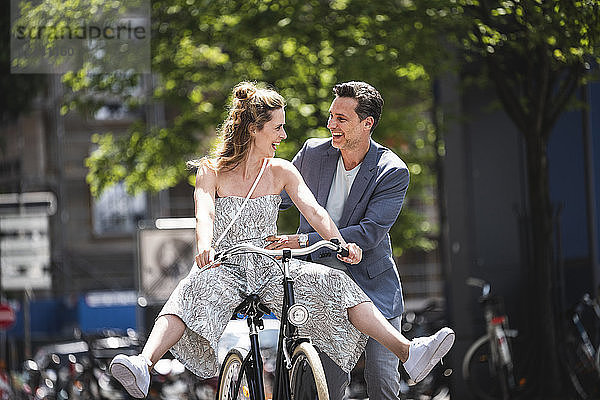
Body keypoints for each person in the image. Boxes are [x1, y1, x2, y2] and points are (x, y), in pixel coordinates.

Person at [109, 82, 455, 399]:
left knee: (337, 283)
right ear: (253, 129)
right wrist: (204, 245)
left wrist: (338, 242)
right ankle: (143, 363)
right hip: (226, 263)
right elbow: (205, 212)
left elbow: (316, 211)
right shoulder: (211, 170)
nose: (283, 135)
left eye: (340, 117)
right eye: (277, 128)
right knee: (187, 293)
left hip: (270, 264)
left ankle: (410, 351)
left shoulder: (284, 170)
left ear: (367, 124)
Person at [268, 81, 420, 400]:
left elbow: (368, 233)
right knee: (327, 386)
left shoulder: (392, 171)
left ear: (367, 124)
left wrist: (298, 241)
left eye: (341, 119)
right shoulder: (312, 154)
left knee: (381, 379)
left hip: (372, 289)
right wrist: (238, 185)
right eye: (331, 115)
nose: (331, 125)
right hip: (324, 291)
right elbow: (277, 196)